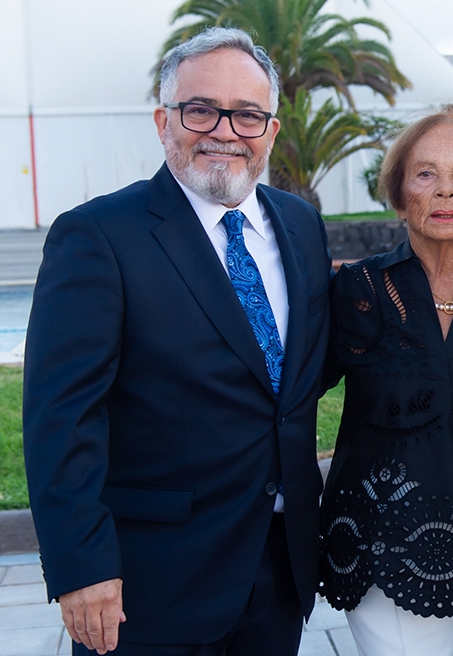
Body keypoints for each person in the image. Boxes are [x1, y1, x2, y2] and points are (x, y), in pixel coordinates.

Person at [22, 27, 331, 656]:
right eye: (201, 109)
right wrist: (81, 566)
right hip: (151, 584)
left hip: (279, 574)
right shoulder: (98, 236)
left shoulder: (299, 224)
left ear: (270, 131)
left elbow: (293, 376)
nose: (225, 129)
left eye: (247, 114)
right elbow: (61, 416)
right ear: (164, 121)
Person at [318, 102, 453, 656]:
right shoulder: (355, 292)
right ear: (398, 194)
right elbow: (287, 399)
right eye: (425, 174)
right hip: (382, 548)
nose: (444, 191)